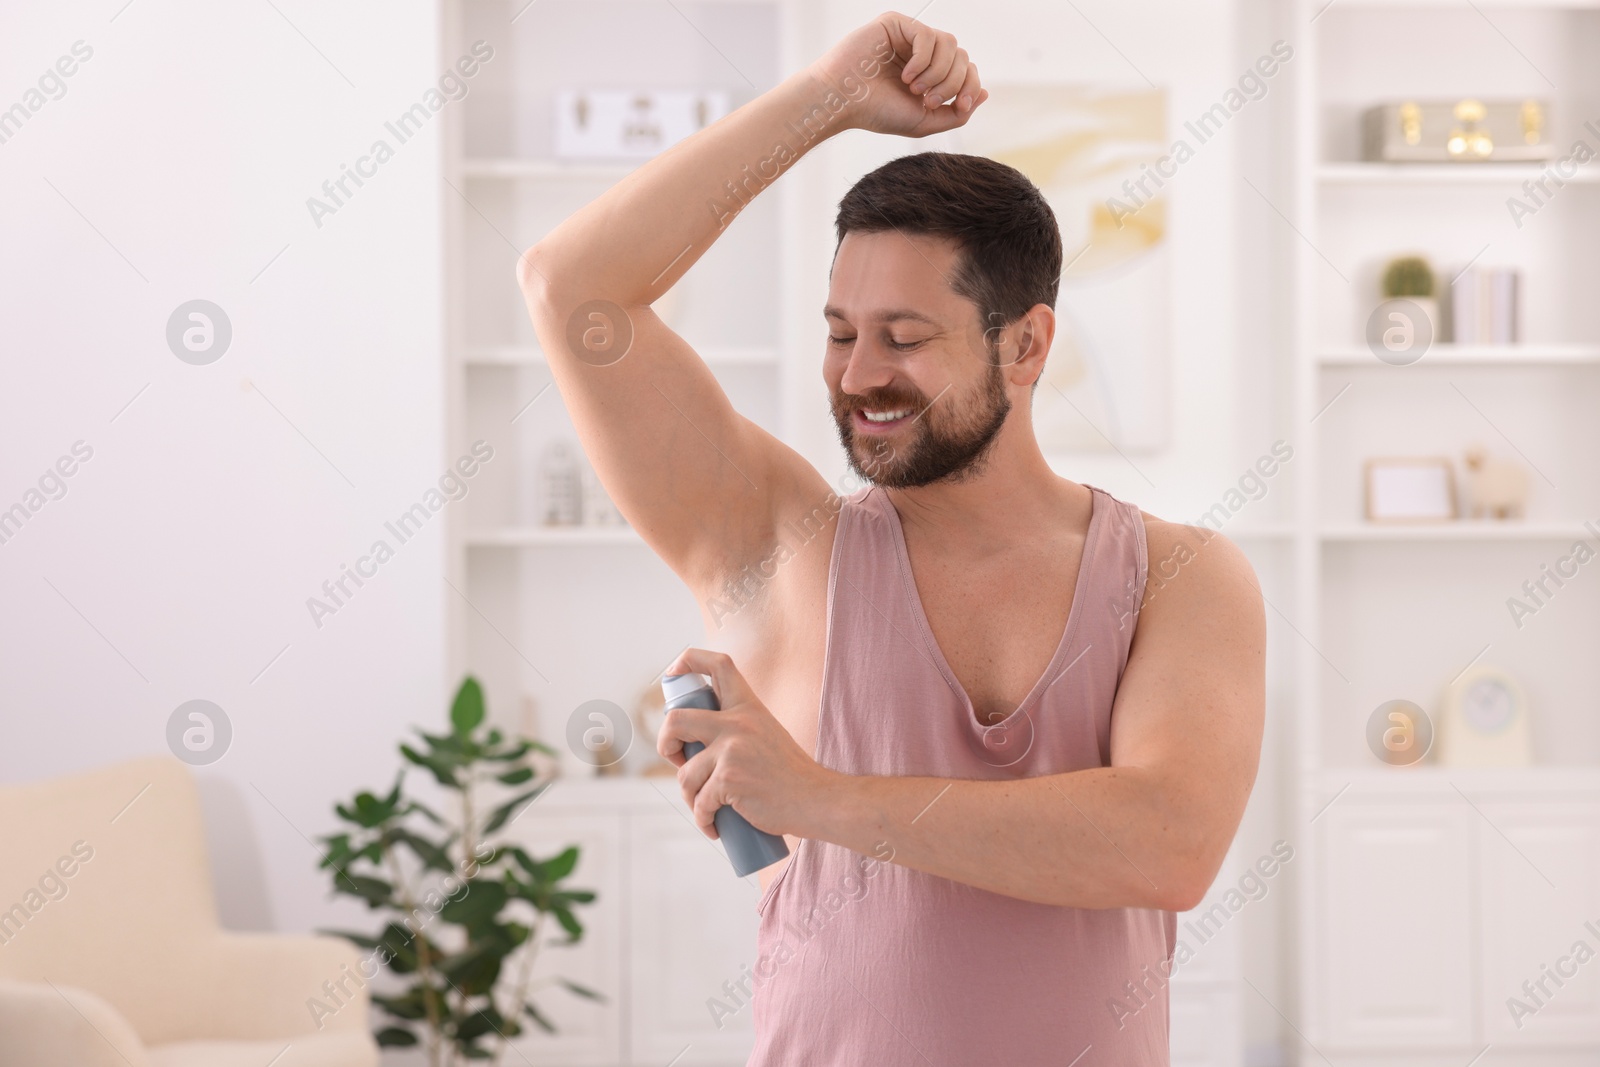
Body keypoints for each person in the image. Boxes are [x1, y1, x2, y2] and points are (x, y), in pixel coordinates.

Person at [518, 12, 1264, 1064]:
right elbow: (571, 287)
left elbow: (1168, 841)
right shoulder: (777, 545)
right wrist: (824, 98)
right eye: (839, 332)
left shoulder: (1180, 575)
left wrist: (817, 796)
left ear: (1027, 345)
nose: (859, 373)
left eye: (904, 338)